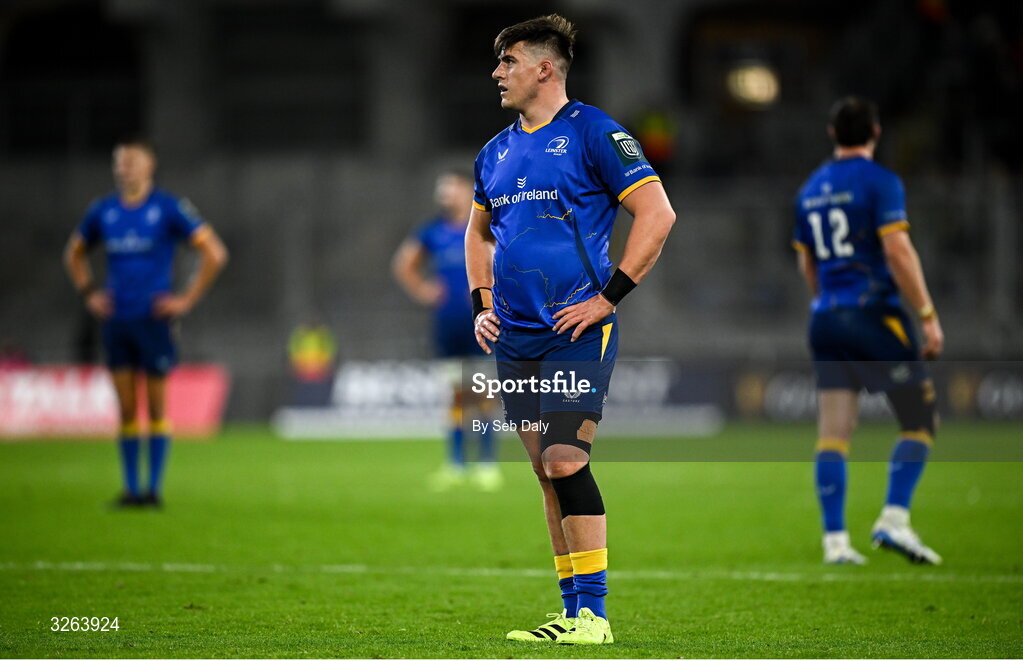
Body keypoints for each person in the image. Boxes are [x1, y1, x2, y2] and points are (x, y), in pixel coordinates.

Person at [465, 15, 676, 645]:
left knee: (564, 458)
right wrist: (481, 303)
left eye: (509, 60)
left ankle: (596, 617)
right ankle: (571, 611)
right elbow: (477, 233)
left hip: (573, 331)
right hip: (515, 336)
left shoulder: (595, 133)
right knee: (542, 470)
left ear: (545, 68)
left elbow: (657, 213)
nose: (498, 71)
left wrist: (609, 299)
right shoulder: (493, 153)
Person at [793, 97, 944, 565]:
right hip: (873, 314)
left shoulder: (810, 189)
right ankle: (894, 520)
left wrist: (827, 304)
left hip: (825, 317)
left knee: (834, 432)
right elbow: (898, 250)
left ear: (832, 133)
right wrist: (926, 314)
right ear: (875, 132)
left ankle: (836, 542)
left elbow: (807, 263)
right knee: (920, 419)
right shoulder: (881, 182)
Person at [64, 137, 228, 508]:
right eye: (120, 163)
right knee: (124, 409)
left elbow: (214, 253)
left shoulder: (168, 208)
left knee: (155, 408)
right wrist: (89, 291)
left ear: (149, 166)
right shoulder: (103, 211)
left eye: (132, 162)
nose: (125, 169)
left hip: (154, 320)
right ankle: (130, 488)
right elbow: (73, 254)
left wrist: (186, 298)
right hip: (117, 319)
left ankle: (153, 490)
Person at [392, 170, 501, 492]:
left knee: (483, 397)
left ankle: (487, 465)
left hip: (484, 325)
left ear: (468, 190)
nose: (444, 195)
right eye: (441, 189)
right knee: (455, 398)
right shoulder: (433, 232)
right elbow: (403, 264)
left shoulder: (486, 228)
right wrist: (423, 290)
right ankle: (456, 464)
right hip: (448, 328)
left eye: (450, 188)